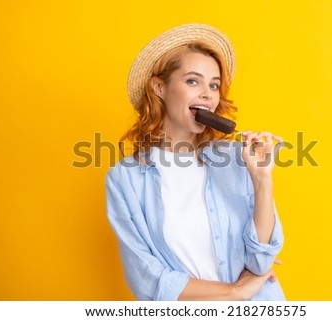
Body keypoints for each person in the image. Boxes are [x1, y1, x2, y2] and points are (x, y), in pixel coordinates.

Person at [106, 23, 285, 300]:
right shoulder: (125, 180)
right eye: (193, 81)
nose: (207, 94)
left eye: (214, 85)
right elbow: (148, 281)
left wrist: (262, 180)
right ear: (159, 88)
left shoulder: (237, 160)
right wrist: (235, 292)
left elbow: (260, 262)